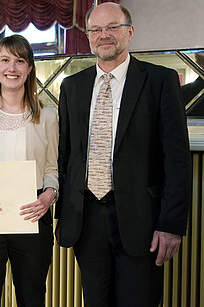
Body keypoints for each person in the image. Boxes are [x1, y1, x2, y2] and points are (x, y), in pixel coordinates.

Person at [55, 3, 191, 307]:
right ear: (88, 37)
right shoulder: (72, 87)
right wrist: (63, 212)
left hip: (141, 220)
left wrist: (171, 224)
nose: (104, 35)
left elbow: (177, 160)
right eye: (96, 29)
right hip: (86, 221)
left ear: (129, 31)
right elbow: (66, 157)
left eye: (112, 27)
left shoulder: (160, 81)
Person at [0, 34, 59, 307]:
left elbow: (53, 168)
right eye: (5, 60)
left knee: (31, 298)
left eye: (19, 61)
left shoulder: (48, 117)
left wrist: (49, 195)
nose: (12, 68)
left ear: (30, 68)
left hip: (32, 216)